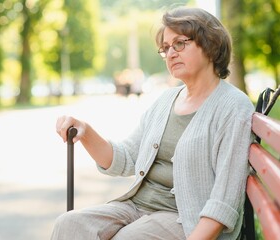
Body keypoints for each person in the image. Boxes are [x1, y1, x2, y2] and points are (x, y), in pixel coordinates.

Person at [52, 6, 254, 240]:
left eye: (179, 43)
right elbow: (125, 158)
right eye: (165, 48)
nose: (170, 54)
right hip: (136, 206)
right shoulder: (166, 100)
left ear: (210, 43)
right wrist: (85, 131)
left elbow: (224, 200)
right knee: (69, 224)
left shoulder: (233, 107)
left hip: (185, 217)